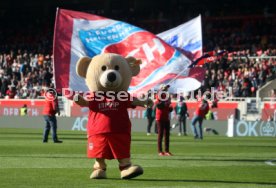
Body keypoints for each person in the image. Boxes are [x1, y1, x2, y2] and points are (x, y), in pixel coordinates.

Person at [155, 84, 173, 156]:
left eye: (167, 88)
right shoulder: (159, 95)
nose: (166, 89)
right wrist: (166, 103)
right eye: (165, 88)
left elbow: (168, 106)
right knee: (160, 134)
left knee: (167, 134)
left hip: (166, 116)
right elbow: (159, 105)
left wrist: (170, 108)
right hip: (160, 116)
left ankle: (167, 151)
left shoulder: (167, 96)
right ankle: (160, 151)